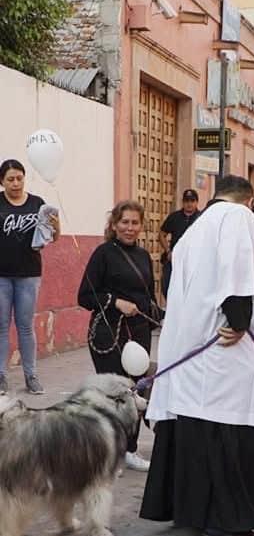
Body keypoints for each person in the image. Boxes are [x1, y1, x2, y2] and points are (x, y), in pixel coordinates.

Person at [140, 175, 254, 535]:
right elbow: (235, 268)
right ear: (246, 201)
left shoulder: (193, 230)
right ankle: (225, 517)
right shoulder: (236, 217)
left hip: (189, 345)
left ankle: (193, 513)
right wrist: (239, 318)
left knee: (194, 427)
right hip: (220, 346)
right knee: (225, 424)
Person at [78, 200, 155, 471]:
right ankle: (107, 453)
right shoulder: (103, 254)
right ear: (114, 224)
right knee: (113, 393)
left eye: (135, 223)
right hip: (107, 334)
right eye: (125, 222)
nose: (130, 228)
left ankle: (129, 450)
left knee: (135, 390)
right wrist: (115, 302)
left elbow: (150, 299)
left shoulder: (144, 256)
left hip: (139, 335)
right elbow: (85, 296)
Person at [0, 159, 60, 395]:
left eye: (19, 178)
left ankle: (31, 376)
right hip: (1, 276)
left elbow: (52, 238)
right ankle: (2, 376)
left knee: (26, 327)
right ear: (2, 182)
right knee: (1, 327)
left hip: (29, 275)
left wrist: (56, 226)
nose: (16, 183)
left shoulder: (38, 204)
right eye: (10, 179)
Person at [159, 189, 200, 299]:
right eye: (186, 201)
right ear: (183, 202)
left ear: (197, 202)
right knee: (167, 285)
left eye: (192, 201)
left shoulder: (201, 218)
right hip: (174, 258)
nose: (189, 204)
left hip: (193, 259)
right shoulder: (175, 217)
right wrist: (168, 250)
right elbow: (162, 234)